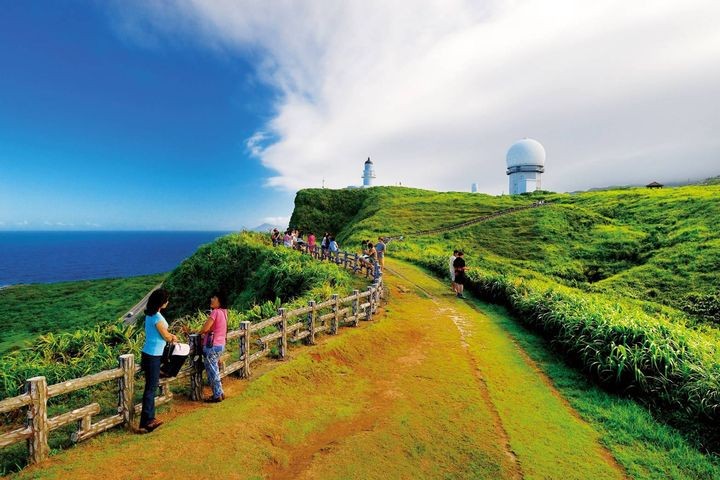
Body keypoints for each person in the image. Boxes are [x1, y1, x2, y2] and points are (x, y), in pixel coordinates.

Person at [140, 288, 178, 432]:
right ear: (161, 302)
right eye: (166, 300)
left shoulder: (151, 315)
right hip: (153, 355)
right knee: (150, 388)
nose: (168, 302)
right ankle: (147, 421)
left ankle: (149, 418)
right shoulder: (156, 317)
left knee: (151, 386)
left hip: (151, 353)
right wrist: (173, 337)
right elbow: (165, 336)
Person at [195, 292, 228, 403]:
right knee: (215, 370)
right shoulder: (224, 312)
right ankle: (220, 392)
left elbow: (205, 328)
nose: (211, 299)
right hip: (220, 345)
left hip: (212, 346)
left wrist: (199, 332)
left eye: (214, 298)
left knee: (212, 371)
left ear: (219, 301)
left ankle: (217, 395)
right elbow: (216, 328)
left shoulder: (215, 312)